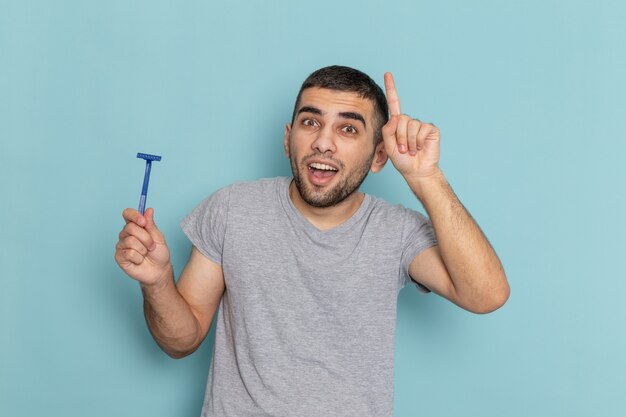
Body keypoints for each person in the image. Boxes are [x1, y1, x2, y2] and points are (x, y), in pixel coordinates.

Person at [114, 65, 510, 417]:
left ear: (378, 157)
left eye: (349, 128)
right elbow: (180, 342)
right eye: (310, 122)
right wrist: (158, 282)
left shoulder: (397, 232)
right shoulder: (233, 208)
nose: (323, 142)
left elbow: (486, 295)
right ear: (288, 138)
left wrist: (427, 179)